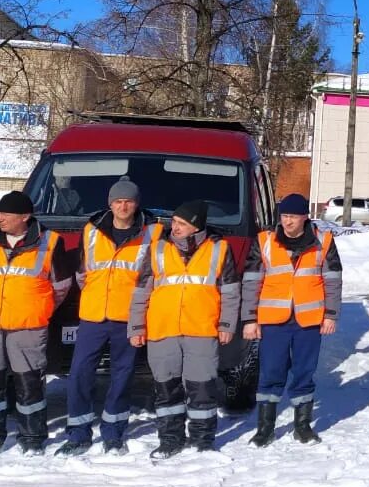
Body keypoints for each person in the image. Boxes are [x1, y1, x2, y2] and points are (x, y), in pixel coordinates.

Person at [129, 200, 240, 459]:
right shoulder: (157, 250)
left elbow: (231, 292)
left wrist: (227, 324)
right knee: (166, 388)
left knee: (201, 388)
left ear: (196, 226)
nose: (175, 227)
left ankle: (202, 440)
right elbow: (140, 291)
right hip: (162, 329)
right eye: (175, 222)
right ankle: (170, 439)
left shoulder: (219, 249)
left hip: (202, 329)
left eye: (182, 224)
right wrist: (136, 326)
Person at [58, 179, 159, 456]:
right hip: (93, 314)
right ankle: (78, 433)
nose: (123, 206)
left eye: (128, 201)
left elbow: (152, 276)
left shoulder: (153, 233)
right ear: (110, 203)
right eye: (118, 201)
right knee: (79, 372)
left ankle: (113, 432)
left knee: (122, 375)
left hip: (127, 315)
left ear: (136, 203)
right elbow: (83, 270)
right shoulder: (91, 230)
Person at [241, 193, 343, 446]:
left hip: (308, 321)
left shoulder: (323, 241)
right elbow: (252, 282)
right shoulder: (265, 241)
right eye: (284, 216)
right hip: (274, 320)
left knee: (304, 373)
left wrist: (331, 314)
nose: (287, 222)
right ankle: (265, 428)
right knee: (270, 374)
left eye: (293, 217)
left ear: (304, 218)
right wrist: (250, 319)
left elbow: (333, 281)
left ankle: (303, 426)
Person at [0, 191, 75, 456]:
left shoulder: (50, 242)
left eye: (5, 214)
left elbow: (61, 285)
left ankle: (32, 437)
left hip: (28, 326)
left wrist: (40, 308)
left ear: (25, 217)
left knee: (29, 383)